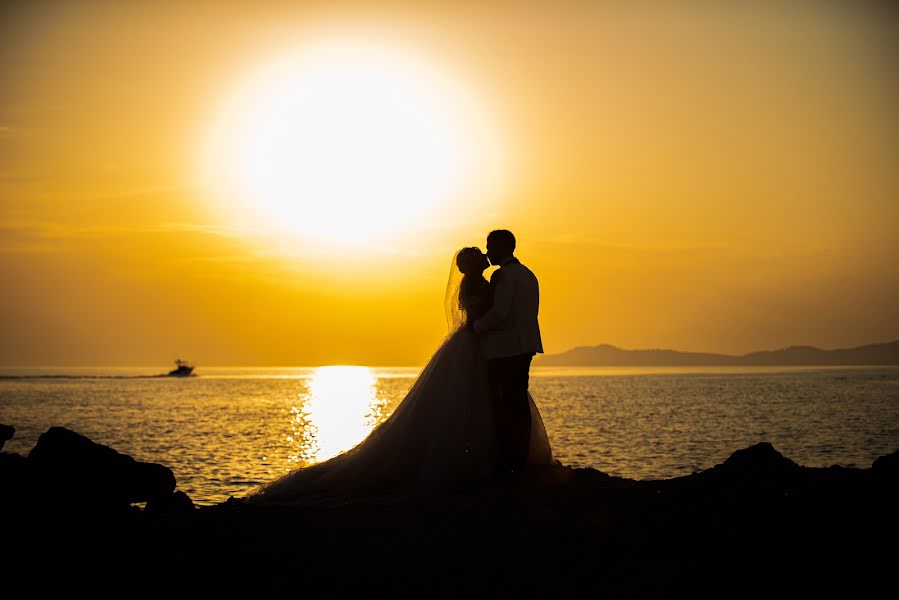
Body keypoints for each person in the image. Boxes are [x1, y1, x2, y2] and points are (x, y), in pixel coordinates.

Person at [242, 245, 552, 506]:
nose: (486, 256)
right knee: (470, 399)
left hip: (482, 345)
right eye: (480, 255)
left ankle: (492, 457)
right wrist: (482, 326)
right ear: (473, 264)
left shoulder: (491, 280)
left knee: (481, 400)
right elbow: (483, 314)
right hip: (474, 343)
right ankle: (487, 460)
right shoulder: (477, 285)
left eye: (486, 253)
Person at [473, 229, 544, 476]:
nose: (487, 251)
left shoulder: (502, 276)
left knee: (503, 404)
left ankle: (508, 460)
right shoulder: (529, 274)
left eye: (489, 246)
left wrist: (477, 327)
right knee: (518, 401)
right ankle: (520, 456)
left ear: (502, 246)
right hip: (525, 346)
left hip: (504, 349)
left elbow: (500, 312)